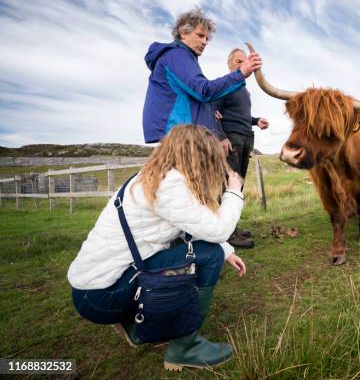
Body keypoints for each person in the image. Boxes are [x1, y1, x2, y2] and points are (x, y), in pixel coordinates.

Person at [67, 124, 246, 370]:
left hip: (97, 288)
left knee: (212, 251)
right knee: (210, 255)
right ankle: (186, 347)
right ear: (199, 156)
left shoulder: (155, 177)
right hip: (102, 295)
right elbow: (217, 229)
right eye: (213, 158)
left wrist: (228, 251)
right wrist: (234, 193)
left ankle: (138, 325)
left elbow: (191, 225)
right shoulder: (170, 185)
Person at [142, 8, 262, 143]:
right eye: (200, 35)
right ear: (183, 33)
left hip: (187, 134)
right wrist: (241, 74)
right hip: (180, 135)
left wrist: (211, 115)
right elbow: (204, 91)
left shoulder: (184, 58)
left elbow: (196, 98)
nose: (205, 41)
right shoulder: (177, 55)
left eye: (206, 38)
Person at [214, 48, 270, 248]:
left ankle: (233, 227)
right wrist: (221, 137)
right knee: (230, 184)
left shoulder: (244, 89)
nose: (242, 64)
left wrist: (256, 121)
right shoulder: (224, 85)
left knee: (239, 185)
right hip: (232, 140)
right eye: (238, 61)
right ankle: (228, 234)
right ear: (229, 64)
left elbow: (241, 115)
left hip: (246, 138)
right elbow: (213, 112)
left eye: (244, 61)